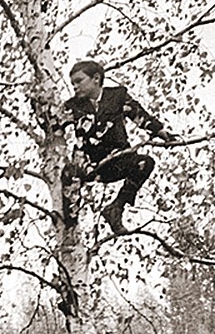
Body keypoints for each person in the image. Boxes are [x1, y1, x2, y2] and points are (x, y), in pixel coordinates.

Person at [65, 60, 177, 233]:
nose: (75, 86)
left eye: (79, 81)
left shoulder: (117, 96)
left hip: (119, 160)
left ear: (96, 78)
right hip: (90, 165)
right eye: (73, 83)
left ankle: (116, 208)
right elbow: (52, 123)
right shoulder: (72, 106)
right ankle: (68, 230)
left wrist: (162, 133)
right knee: (67, 177)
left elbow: (140, 115)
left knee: (145, 163)